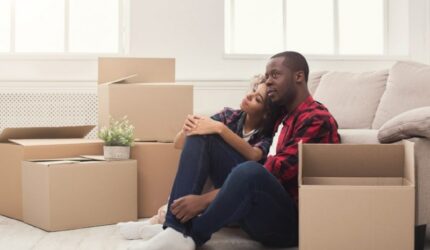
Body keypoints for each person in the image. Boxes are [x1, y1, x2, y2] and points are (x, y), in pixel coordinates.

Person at [131, 51, 340, 250]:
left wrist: (203, 201)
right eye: (267, 77)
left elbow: (271, 172)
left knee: (251, 170)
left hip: (291, 224)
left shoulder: (316, 118)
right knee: (202, 133)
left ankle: (192, 236)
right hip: (261, 207)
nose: (268, 82)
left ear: (299, 77)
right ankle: (175, 230)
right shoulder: (285, 117)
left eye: (275, 75)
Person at [118, 74, 281, 241]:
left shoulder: (268, 135)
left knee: (213, 143)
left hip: (235, 197)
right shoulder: (230, 116)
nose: (249, 96)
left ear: (266, 114)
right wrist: (186, 129)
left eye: (257, 99)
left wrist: (220, 128)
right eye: (253, 91)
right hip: (214, 184)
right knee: (201, 141)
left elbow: (254, 156)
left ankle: (167, 224)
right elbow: (179, 143)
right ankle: (163, 223)